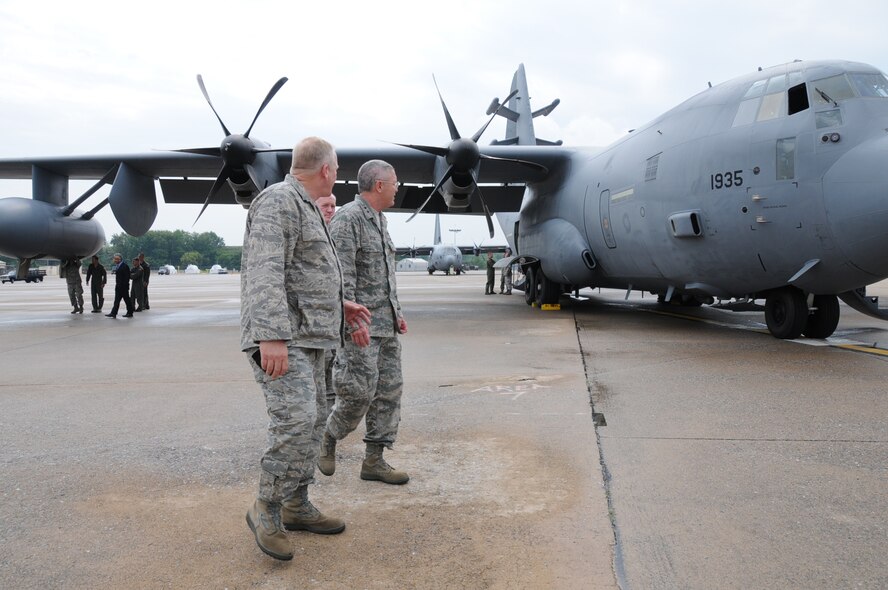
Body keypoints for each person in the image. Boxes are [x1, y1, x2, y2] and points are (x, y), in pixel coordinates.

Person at [241, 136, 371, 561]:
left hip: (314, 336)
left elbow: (305, 272)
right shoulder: (278, 201)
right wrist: (271, 336)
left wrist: (341, 304)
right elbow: (265, 271)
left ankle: (296, 504)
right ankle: (267, 508)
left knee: (314, 426)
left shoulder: (306, 207)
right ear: (327, 171)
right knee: (295, 426)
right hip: (286, 339)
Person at [320, 159, 410, 486]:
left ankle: (374, 460)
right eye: (395, 181)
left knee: (388, 392)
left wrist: (395, 312)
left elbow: (383, 274)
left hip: (384, 326)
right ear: (379, 185)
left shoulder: (380, 220)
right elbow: (342, 276)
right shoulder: (349, 219)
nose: (399, 187)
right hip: (360, 329)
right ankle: (327, 436)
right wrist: (354, 323)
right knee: (358, 392)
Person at [315, 193, 338, 423]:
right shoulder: (310, 234)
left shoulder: (333, 236)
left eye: (333, 205)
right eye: (325, 205)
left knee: (330, 381)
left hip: (331, 325)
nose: (331, 209)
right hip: (311, 327)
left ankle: (325, 430)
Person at [106, 253, 133, 318]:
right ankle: (113, 313)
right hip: (118, 287)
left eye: (117, 259)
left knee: (127, 300)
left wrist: (124, 285)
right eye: (115, 259)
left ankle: (130, 312)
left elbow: (127, 277)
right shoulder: (118, 266)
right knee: (116, 301)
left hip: (123, 287)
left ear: (120, 259)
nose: (115, 260)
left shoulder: (125, 266)